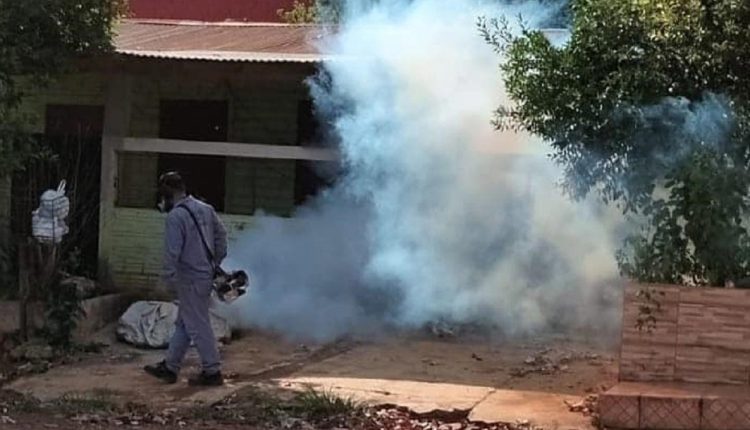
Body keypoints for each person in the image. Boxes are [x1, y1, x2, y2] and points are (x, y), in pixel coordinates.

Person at [144, 172, 228, 386]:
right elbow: (222, 238)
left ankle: (212, 371)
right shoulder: (206, 209)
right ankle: (170, 367)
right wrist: (214, 262)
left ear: (168, 194)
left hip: (189, 278)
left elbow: (172, 252)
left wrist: (168, 279)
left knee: (198, 325)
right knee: (184, 322)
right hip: (205, 275)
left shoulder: (175, 217)